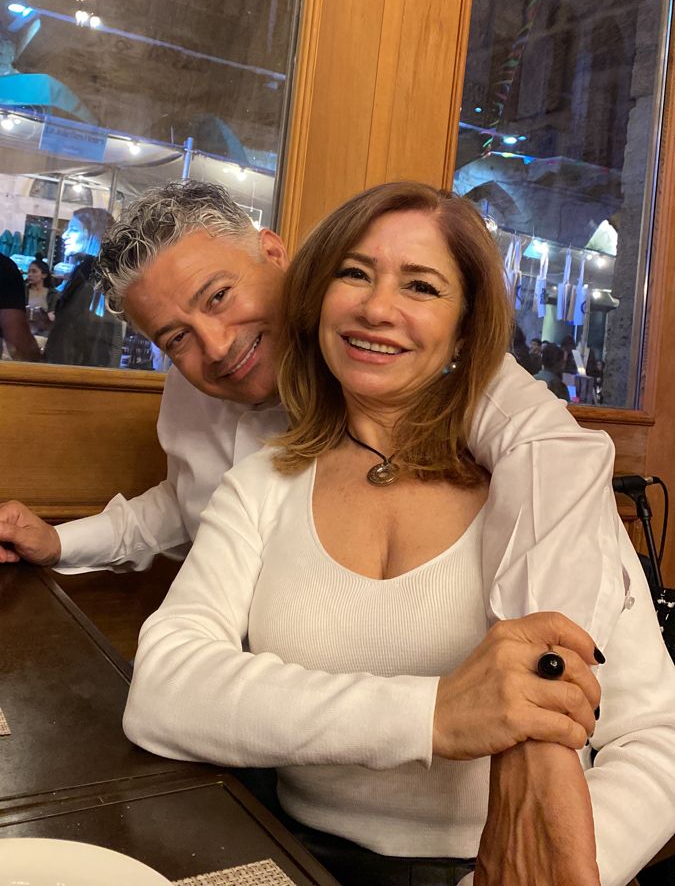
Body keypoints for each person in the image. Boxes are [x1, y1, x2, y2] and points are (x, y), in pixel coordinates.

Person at [123, 182, 675, 886]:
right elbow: (165, 689)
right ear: (316, 298)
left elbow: (653, 736)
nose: (377, 308)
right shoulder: (262, 482)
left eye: (421, 286)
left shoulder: (547, 489)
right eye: (354, 274)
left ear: (466, 327)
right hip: (291, 859)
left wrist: (561, 866)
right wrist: (434, 715)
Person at [0, 183, 623, 652]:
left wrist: (539, 674)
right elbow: (186, 499)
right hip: (238, 702)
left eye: (219, 296)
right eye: (176, 337)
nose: (215, 346)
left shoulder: (386, 361)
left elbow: (548, 450)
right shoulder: (193, 385)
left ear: (273, 252)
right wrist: (61, 542)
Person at [44, 208, 124, 369]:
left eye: (73, 230)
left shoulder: (95, 276)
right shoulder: (85, 272)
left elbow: (95, 332)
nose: (64, 236)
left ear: (92, 234)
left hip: (78, 372)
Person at [0, 251, 41, 361]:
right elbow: (16, 334)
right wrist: (40, 365)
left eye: (34, 271)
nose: (30, 274)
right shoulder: (4, 269)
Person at [25, 257, 59, 334]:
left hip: (44, 333)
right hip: (23, 331)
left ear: (44, 275)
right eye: (29, 272)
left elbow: (54, 316)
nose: (30, 275)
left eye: (34, 271)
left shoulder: (54, 295)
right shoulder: (23, 291)